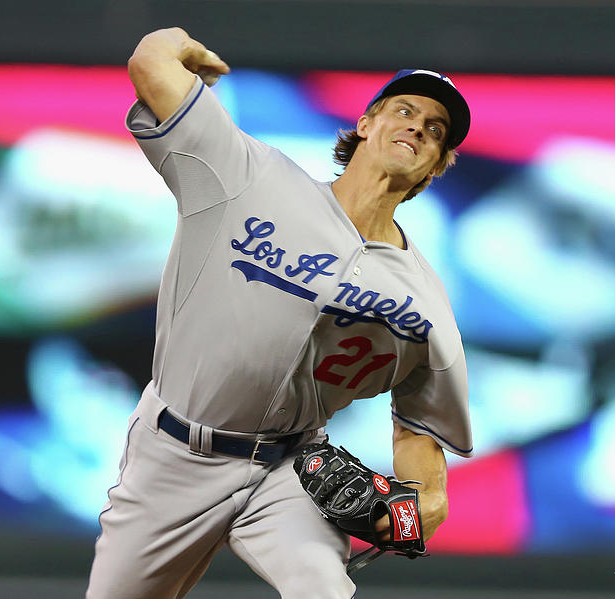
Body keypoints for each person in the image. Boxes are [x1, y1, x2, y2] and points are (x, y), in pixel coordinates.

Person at [85, 27, 473, 599]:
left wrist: (410, 517)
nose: (418, 126)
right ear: (365, 123)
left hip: (287, 473)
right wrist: (188, 49)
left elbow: (423, 444)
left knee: (324, 591)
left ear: (436, 166)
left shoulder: (425, 302)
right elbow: (150, 60)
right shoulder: (250, 177)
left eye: (435, 130)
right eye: (405, 110)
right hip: (174, 454)